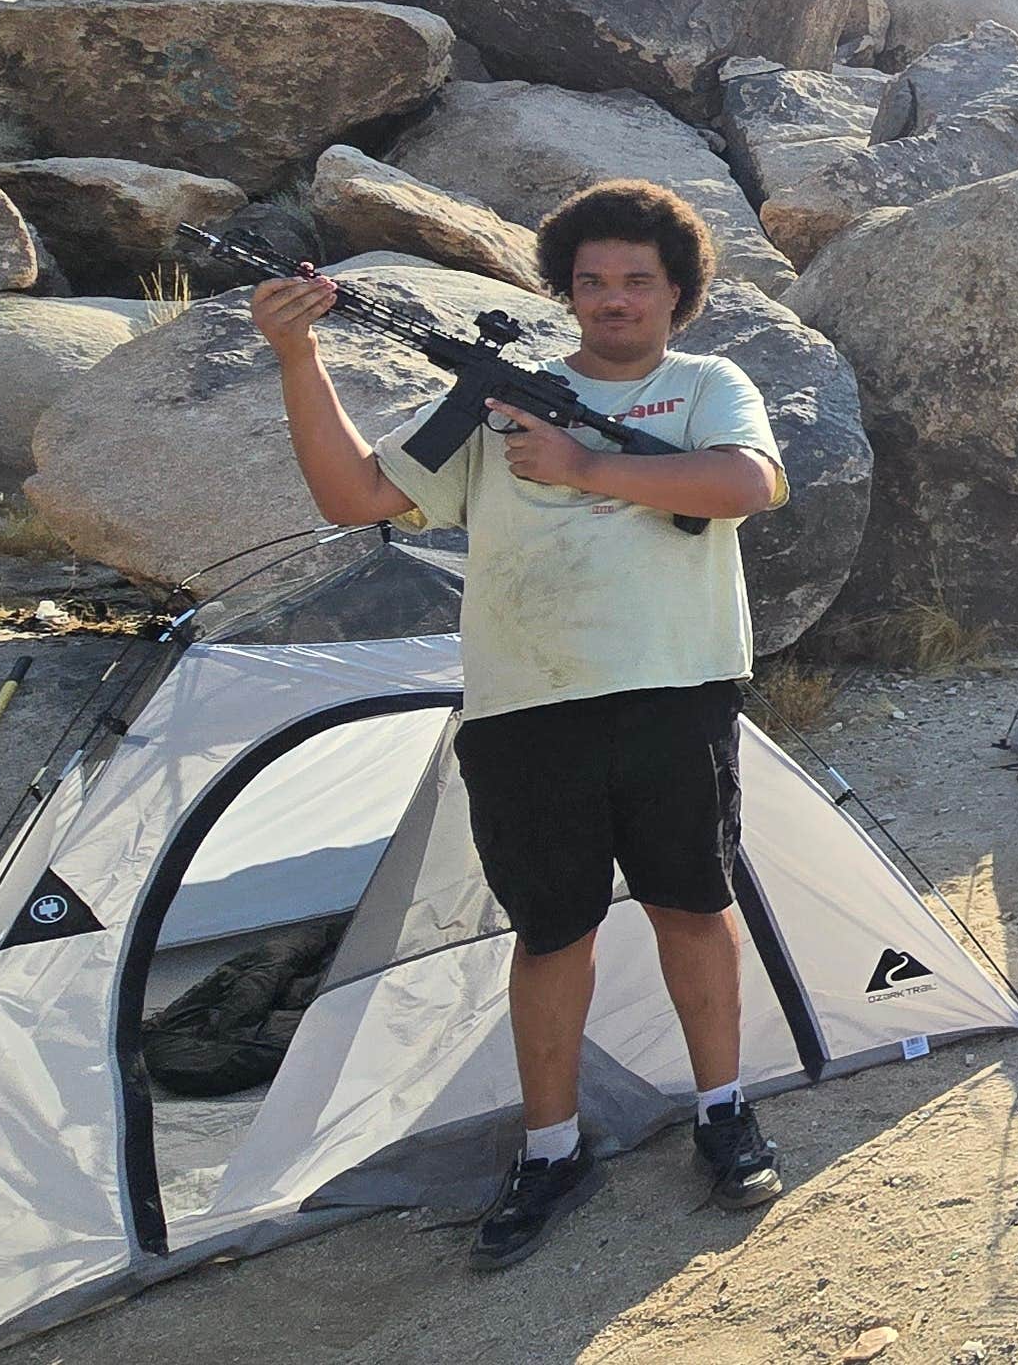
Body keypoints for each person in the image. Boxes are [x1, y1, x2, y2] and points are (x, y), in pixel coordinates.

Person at [252, 182, 790, 1270]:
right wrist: (297, 358)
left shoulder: (704, 384)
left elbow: (750, 483)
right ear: (566, 291)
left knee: (693, 906)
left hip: (671, 693)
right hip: (526, 706)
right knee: (553, 934)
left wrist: (588, 464)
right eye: (591, 281)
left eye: (637, 281)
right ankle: (549, 1149)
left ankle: (723, 1112)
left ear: (677, 293)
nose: (613, 300)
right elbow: (355, 498)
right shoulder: (502, 407)